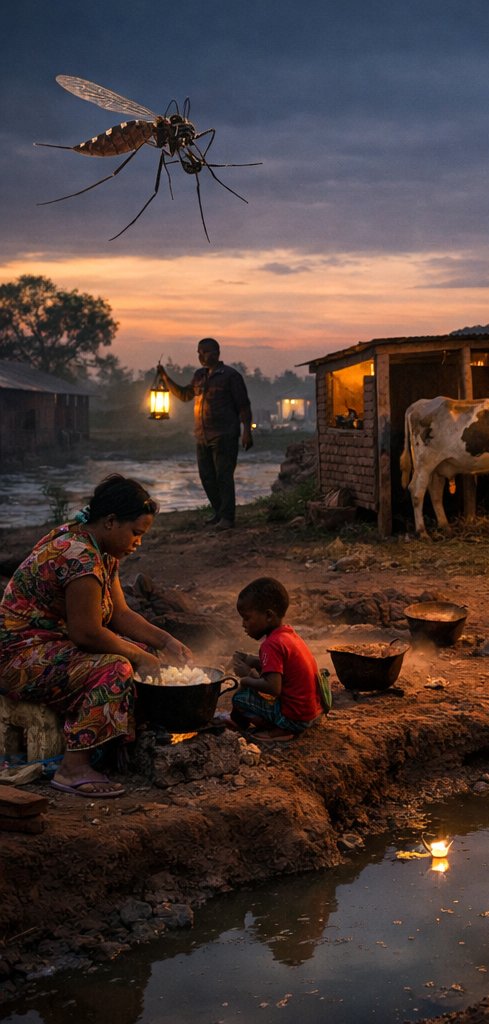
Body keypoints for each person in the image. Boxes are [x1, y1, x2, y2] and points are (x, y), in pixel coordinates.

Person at [0, 475, 193, 797]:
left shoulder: (99, 550)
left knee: (144, 653)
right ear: (110, 521)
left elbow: (120, 614)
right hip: (18, 658)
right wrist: (139, 655)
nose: (138, 542)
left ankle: (123, 739)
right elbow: (87, 633)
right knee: (116, 668)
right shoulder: (78, 555)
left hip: (53, 647)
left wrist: (165, 641)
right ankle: (73, 768)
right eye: (136, 533)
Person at [158, 337, 253, 531]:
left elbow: (243, 406)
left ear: (217, 353)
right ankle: (219, 512)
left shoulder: (230, 376)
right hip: (202, 435)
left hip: (224, 434)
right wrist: (166, 379)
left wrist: (247, 432)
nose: (201, 356)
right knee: (207, 477)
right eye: (199, 353)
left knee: (224, 476)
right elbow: (185, 395)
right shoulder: (199, 376)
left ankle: (227, 518)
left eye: (206, 352)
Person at [229, 577, 323, 743]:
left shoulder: (270, 645)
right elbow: (279, 668)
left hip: (294, 719)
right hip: (311, 713)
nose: (243, 624)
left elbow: (273, 687)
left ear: (268, 615)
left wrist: (246, 678)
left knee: (239, 698)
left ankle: (279, 729)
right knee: (251, 690)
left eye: (247, 618)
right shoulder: (288, 635)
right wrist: (252, 660)